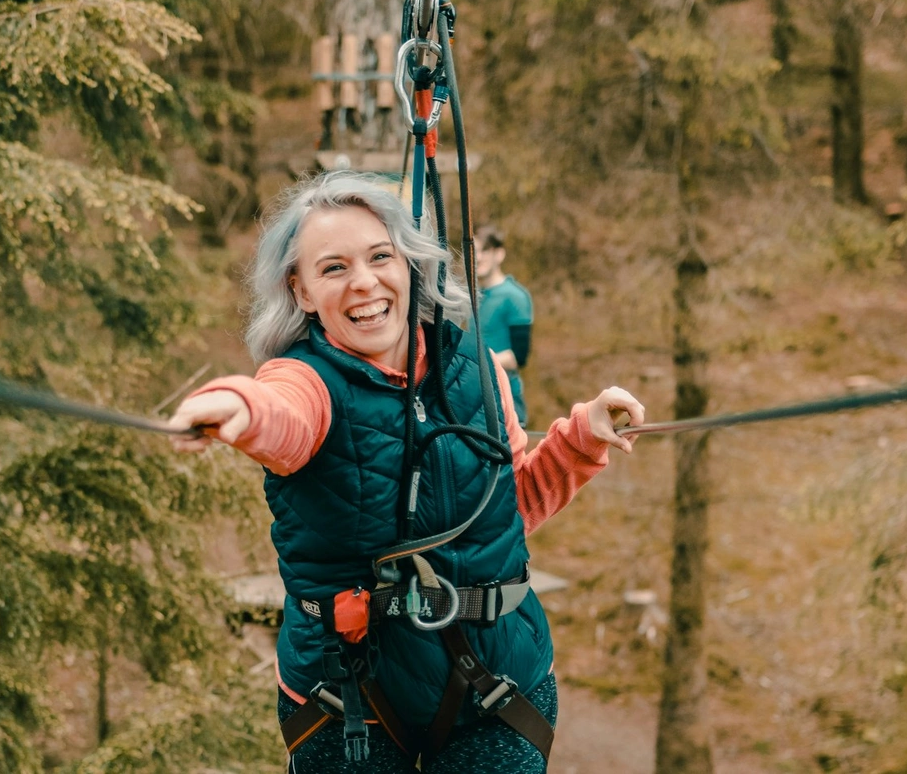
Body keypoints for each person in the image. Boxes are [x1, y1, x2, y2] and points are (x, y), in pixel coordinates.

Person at [166, 171, 643, 774]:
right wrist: (238, 408)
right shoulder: (304, 380)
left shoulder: (476, 369)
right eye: (333, 268)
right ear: (303, 291)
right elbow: (280, 415)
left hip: (493, 675)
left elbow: (504, 509)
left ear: (410, 265)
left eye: (380, 256)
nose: (364, 282)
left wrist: (578, 443)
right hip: (351, 693)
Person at [473, 224, 534, 427]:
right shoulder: (469, 296)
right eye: (474, 251)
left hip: (506, 401)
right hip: (474, 399)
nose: (478, 257)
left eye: (485, 251)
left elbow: (519, 356)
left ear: (499, 254)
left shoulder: (515, 296)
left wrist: (474, 364)